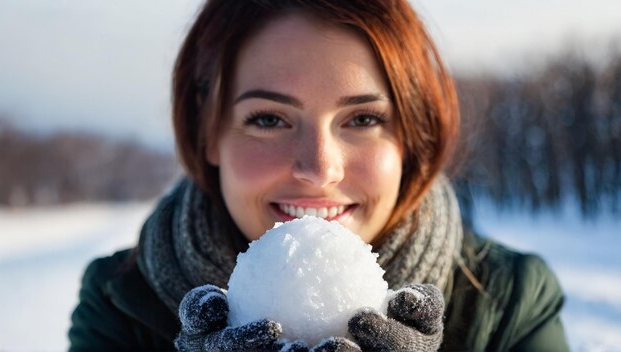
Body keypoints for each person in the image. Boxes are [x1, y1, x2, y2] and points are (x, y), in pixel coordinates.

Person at [68, 0, 570, 351]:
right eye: (268, 119)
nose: (320, 168)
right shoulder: (119, 303)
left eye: (363, 119)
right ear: (207, 137)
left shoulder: (509, 303)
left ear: (410, 140)